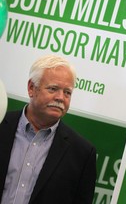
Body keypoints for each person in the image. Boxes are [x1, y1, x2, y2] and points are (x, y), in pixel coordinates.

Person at [0, 55, 97, 204]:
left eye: (67, 92)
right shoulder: (1, 125)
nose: (60, 98)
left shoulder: (82, 153)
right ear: (31, 88)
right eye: (53, 89)